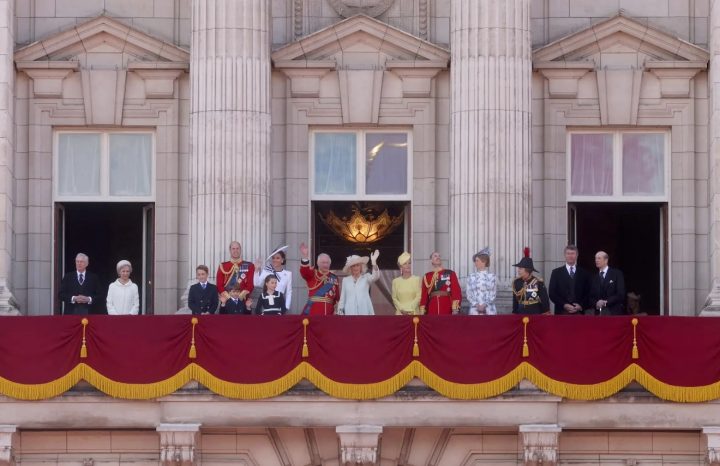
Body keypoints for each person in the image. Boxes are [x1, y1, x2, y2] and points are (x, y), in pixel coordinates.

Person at [299, 242, 340, 315]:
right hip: (314, 311)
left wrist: (337, 309)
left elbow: (337, 297)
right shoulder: (313, 274)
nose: (325, 265)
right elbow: (304, 271)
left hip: (329, 312)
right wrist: (305, 256)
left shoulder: (334, 278)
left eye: (327, 263)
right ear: (318, 263)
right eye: (323, 262)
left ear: (330, 264)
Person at [548, 245, 590, 315]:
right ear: (565, 255)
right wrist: (564, 305)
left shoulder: (584, 273)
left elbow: (588, 293)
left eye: (573, 254)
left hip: (579, 313)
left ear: (577, 255)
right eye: (568, 253)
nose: (570, 256)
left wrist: (581, 305)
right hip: (561, 312)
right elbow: (552, 293)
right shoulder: (556, 273)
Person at [338, 250, 380, 316]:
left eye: (357, 265)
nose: (355, 268)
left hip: (364, 310)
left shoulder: (366, 277)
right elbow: (343, 297)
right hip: (350, 311)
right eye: (353, 266)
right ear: (350, 268)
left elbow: (375, 277)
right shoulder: (346, 280)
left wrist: (374, 263)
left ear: (361, 267)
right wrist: (340, 311)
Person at [512, 248, 550, 315]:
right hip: (520, 313)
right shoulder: (516, 282)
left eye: (520, 269)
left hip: (535, 313)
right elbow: (515, 301)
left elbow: (544, 300)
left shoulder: (538, 282)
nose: (518, 270)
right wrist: (514, 313)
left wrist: (545, 313)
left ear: (527, 270)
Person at [253, 245, 293, 309]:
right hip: (267, 303)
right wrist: (256, 270)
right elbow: (256, 284)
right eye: (273, 258)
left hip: (280, 304)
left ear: (282, 260)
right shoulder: (266, 271)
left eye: (277, 258)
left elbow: (289, 292)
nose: (275, 260)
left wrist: (286, 307)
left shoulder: (288, 274)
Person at [588, 251, 626, 316]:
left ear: (606, 260)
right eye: (595, 258)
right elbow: (590, 296)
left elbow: (620, 294)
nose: (596, 260)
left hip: (613, 312)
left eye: (599, 258)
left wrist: (606, 302)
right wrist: (596, 303)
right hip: (598, 314)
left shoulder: (617, 274)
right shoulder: (593, 277)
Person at [466, 247, 497, 315]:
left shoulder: (492, 276)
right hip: (474, 309)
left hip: (489, 309)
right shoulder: (471, 277)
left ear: (484, 261)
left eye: (477, 260)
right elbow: (469, 293)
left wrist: (484, 305)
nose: (475, 263)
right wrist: (477, 305)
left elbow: (493, 294)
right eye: (475, 261)